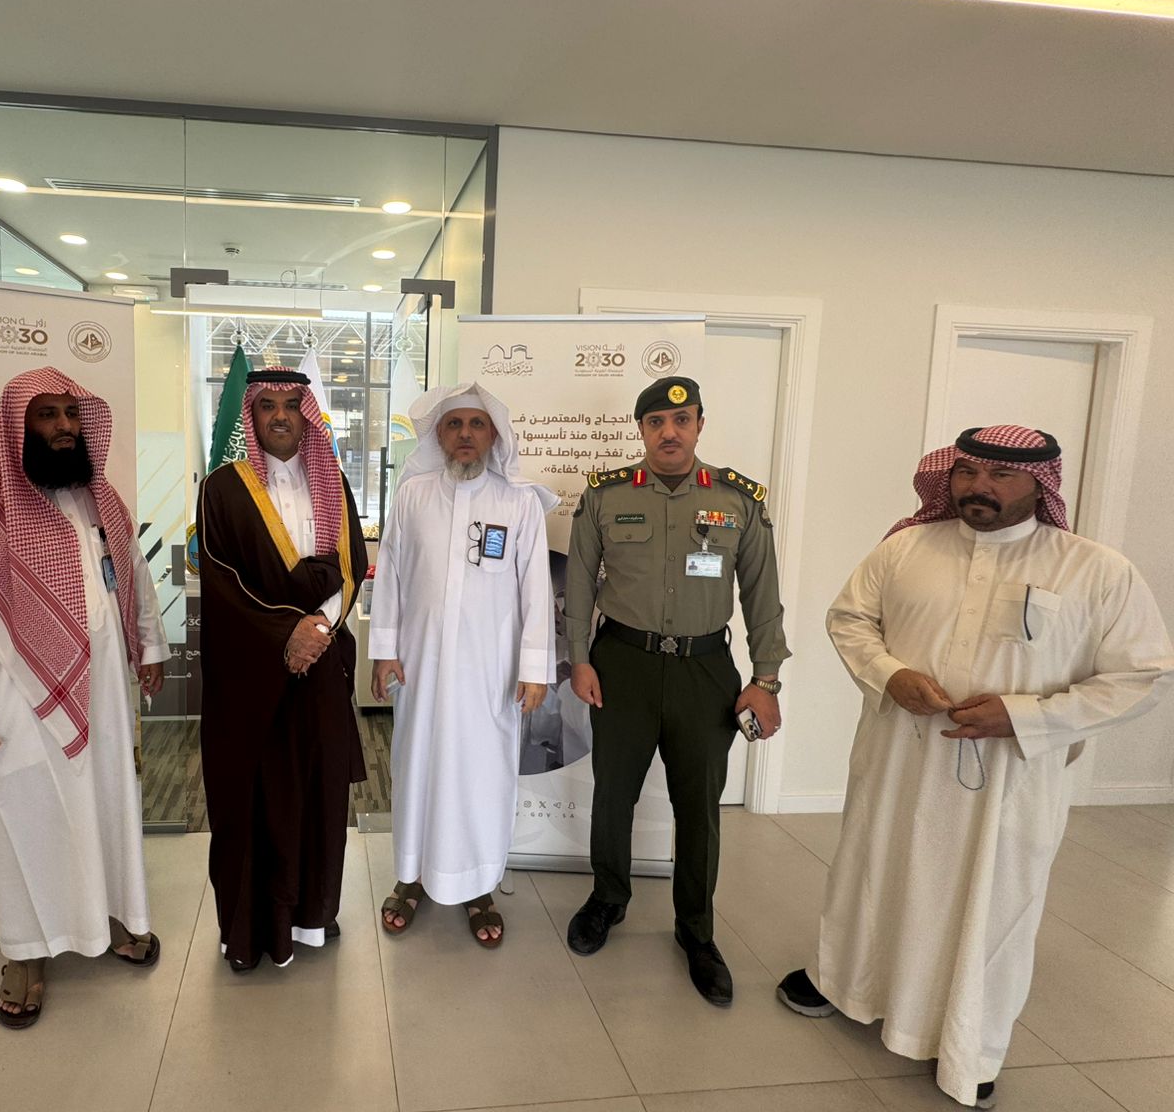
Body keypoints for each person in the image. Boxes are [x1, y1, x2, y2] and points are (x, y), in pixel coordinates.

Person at [777, 425, 1174, 1109]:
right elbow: (850, 620)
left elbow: (1144, 676)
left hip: (1008, 782)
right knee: (873, 868)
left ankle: (971, 1045)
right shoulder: (905, 548)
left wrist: (1025, 717)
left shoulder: (1095, 570)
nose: (979, 488)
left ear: (1040, 485)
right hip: (900, 759)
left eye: (1000, 475)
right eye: (967, 473)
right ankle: (845, 985)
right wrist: (890, 673)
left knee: (991, 902)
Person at [0, 367, 169, 1029]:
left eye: (71, 413)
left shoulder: (99, 497)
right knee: (24, 820)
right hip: (18, 700)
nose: (64, 427)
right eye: (47, 415)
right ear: (18, 426)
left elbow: (133, 575)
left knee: (107, 805)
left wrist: (148, 646)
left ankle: (114, 918)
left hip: (105, 692)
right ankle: (24, 954)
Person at [563, 375, 789, 1007]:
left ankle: (696, 929)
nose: (669, 432)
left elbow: (763, 596)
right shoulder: (606, 495)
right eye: (656, 421)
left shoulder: (737, 499)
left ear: (699, 426)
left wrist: (766, 679)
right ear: (641, 429)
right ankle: (608, 898)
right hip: (622, 664)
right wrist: (578, 659)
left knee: (699, 806)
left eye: (681, 421)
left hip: (705, 669)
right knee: (613, 794)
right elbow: (578, 583)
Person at [369, 382, 556, 946]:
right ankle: (412, 875)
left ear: (494, 434)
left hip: (489, 674)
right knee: (417, 766)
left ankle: (478, 885)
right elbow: (390, 578)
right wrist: (384, 651)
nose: (466, 434)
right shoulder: (413, 496)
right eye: (455, 424)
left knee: (481, 775)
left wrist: (534, 668)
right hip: (420, 669)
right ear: (438, 434)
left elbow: (535, 590)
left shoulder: (518, 502)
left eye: (477, 424)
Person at [196, 368, 368, 971]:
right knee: (256, 798)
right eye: (266, 405)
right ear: (252, 415)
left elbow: (351, 565)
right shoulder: (223, 488)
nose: (280, 416)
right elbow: (220, 579)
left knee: (318, 790)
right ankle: (251, 931)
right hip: (251, 674)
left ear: (307, 415)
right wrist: (285, 632)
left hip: (318, 665)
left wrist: (317, 629)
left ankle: (311, 914)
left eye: (292, 405)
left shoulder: (334, 482)